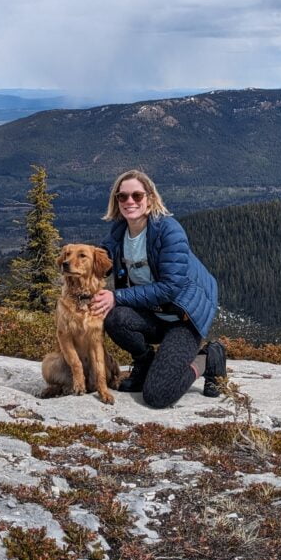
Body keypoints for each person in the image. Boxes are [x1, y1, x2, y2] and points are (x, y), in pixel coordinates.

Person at [90, 169, 226, 409]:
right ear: (116, 201)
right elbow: (103, 261)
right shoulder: (119, 231)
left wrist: (117, 295)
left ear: (150, 199)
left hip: (182, 318)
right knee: (114, 318)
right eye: (122, 197)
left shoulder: (168, 231)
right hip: (153, 313)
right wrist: (74, 264)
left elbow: (170, 288)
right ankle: (145, 363)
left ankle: (207, 358)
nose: (129, 202)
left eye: (137, 196)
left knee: (157, 396)